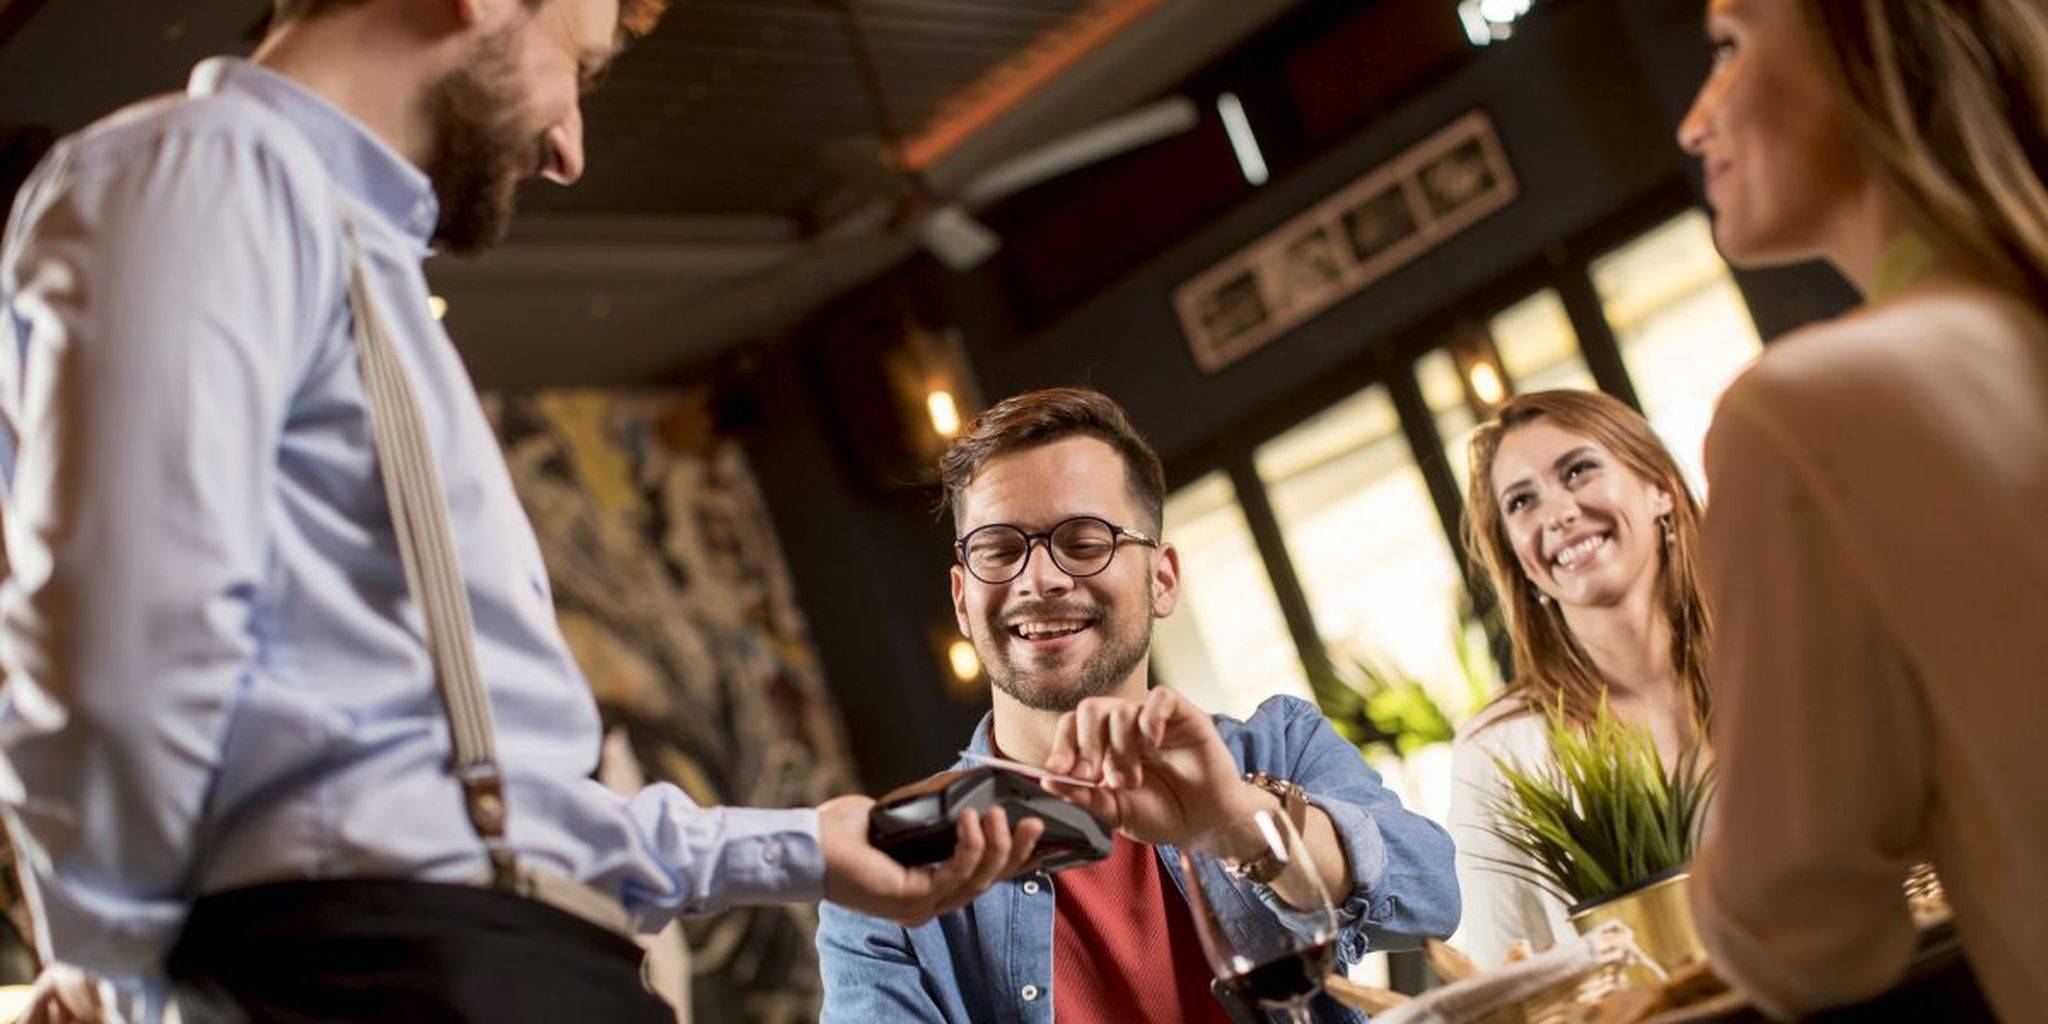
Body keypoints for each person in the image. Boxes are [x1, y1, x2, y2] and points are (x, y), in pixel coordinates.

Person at [0, 2, 1041, 1021]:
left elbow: (501, 803)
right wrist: (123, 983)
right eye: (576, 72)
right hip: (390, 966)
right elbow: (114, 655)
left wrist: (806, 850)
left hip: (506, 960)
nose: (568, 149)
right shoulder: (206, 172)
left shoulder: (353, 260)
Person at [815, 387, 1459, 1023]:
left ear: (1163, 578)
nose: (1038, 580)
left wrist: (1236, 819)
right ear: (962, 598)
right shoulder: (886, 874)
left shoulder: (1277, 747)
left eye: (1084, 541)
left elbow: (1431, 893)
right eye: (1000, 550)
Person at [1676, 0, 2048, 1019]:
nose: (1690, 121)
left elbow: (1802, 931)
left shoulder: (1800, 414)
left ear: (1865, 43)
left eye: (1726, 48)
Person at [1447, 390, 1712, 967]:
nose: (1556, 514)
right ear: (1518, 558)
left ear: (1659, 488)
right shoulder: (1498, 751)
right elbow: (1508, 976)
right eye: (1521, 503)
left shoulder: (1775, 653)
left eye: (1578, 471)